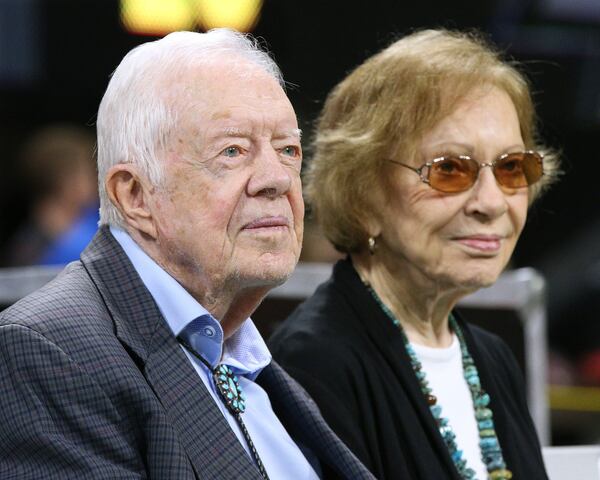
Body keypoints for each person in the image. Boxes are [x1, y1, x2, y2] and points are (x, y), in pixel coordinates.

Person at [0, 30, 374, 480]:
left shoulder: (246, 354)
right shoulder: (46, 352)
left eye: (287, 149)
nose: (276, 179)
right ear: (135, 195)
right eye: (232, 151)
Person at [270, 29, 560, 480]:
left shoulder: (491, 358)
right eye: (448, 170)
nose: (492, 203)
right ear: (362, 195)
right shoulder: (316, 362)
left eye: (510, 168)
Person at [2, 124, 99, 266]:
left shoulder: (97, 218)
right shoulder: (31, 245)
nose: (97, 180)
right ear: (66, 182)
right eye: (89, 173)